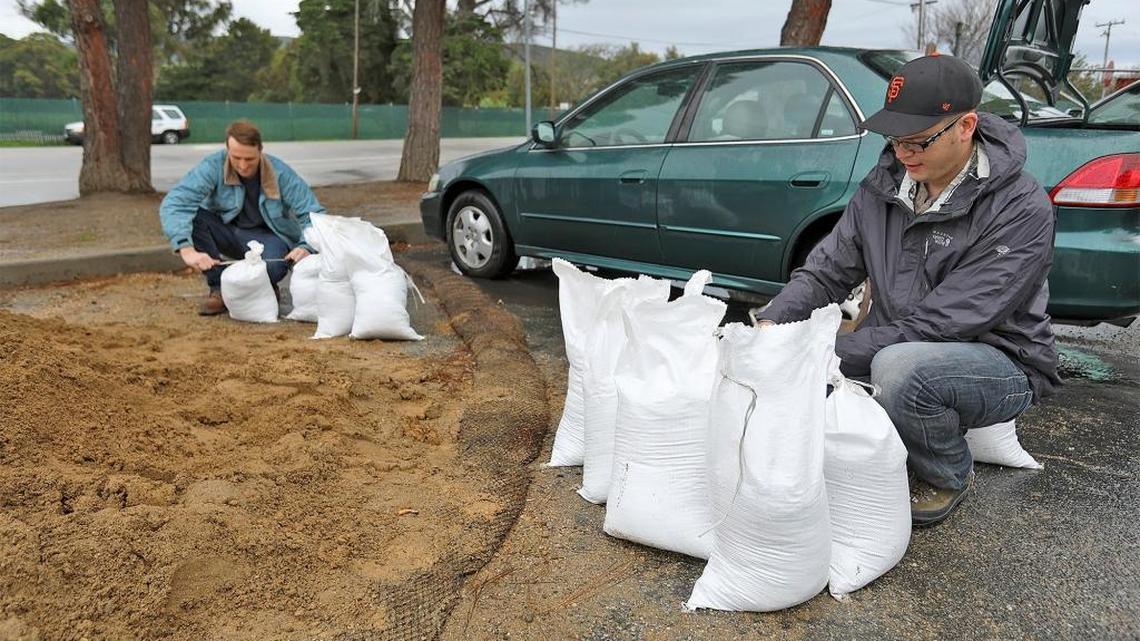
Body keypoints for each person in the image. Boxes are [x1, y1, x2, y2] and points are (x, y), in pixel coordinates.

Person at [754, 54, 1060, 527]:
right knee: (788, 373)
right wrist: (773, 326)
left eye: (917, 141)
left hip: (1000, 359)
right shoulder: (883, 189)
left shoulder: (1019, 206)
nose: (902, 153)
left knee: (900, 371)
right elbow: (825, 273)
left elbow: (942, 323)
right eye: (893, 138)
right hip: (899, 342)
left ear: (966, 126)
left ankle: (946, 474)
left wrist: (824, 350)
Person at [159, 120, 324, 315]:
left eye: (250, 159)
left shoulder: (281, 173)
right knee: (194, 217)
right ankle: (218, 289)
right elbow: (176, 203)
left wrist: (305, 246)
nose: (243, 166)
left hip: (266, 238)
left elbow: (313, 213)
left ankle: (263, 287)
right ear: (227, 149)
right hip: (226, 231)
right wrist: (186, 249)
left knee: (276, 266)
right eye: (236, 158)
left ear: (260, 150)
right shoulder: (213, 166)